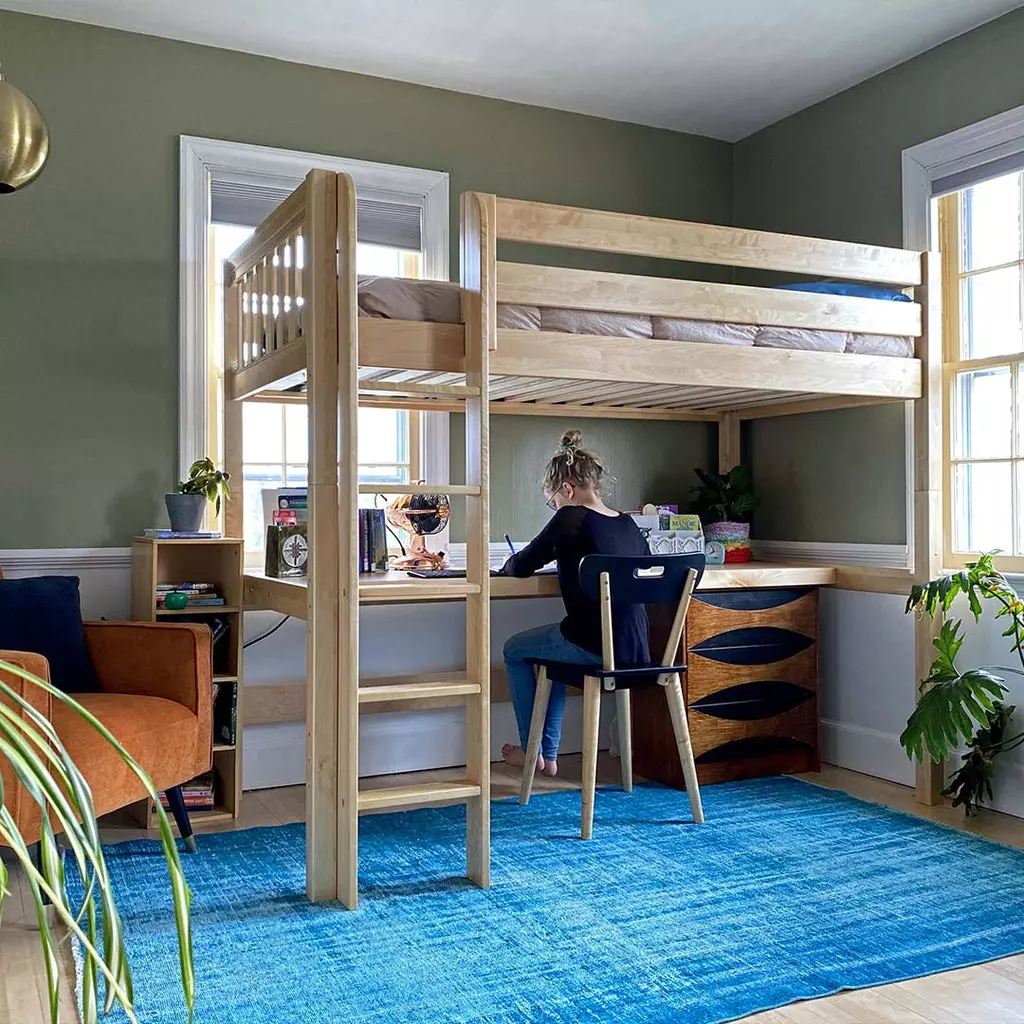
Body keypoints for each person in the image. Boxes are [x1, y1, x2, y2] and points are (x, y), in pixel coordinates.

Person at [499, 429, 650, 778]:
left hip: (593, 646)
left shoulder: (571, 517)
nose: (555, 508)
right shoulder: (628, 524)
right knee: (550, 660)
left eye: (552, 501)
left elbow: (522, 565)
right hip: (638, 650)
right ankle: (547, 758)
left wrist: (505, 566)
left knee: (514, 650)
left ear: (567, 490)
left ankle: (533, 751)